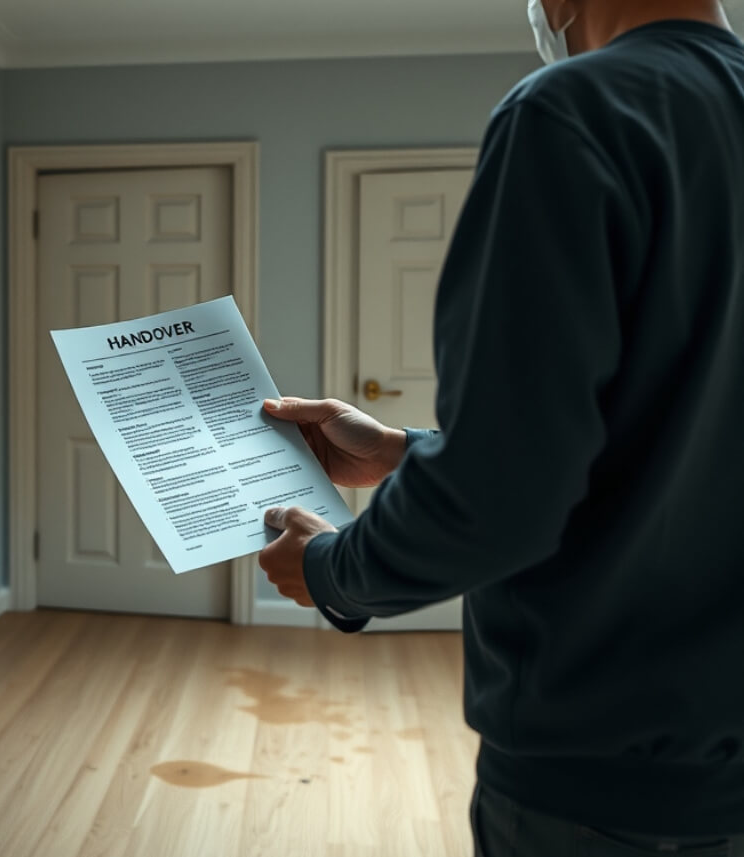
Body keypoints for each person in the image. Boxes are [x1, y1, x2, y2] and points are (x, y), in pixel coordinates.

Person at [257, 0, 744, 852]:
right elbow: (672, 433)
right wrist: (409, 453)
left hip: (603, 782)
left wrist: (332, 569)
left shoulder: (574, 110)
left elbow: (501, 501)